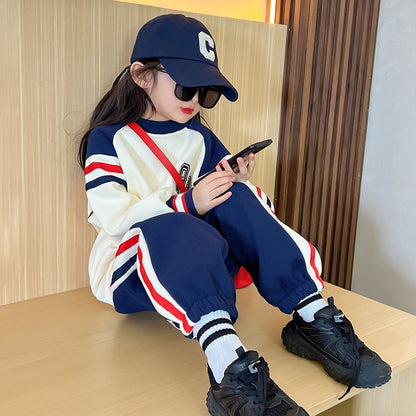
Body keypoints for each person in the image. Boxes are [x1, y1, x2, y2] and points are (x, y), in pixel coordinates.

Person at [78, 13, 391, 416]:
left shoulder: (198, 135)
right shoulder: (108, 138)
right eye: (186, 87)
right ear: (141, 75)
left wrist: (234, 178)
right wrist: (187, 203)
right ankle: (227, 363)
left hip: (199, 265)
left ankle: (311, 314)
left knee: (236, 195)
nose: (195, 101)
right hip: (130, 268)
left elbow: (223, 200)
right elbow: (112, 219)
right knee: (173, 222)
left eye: (206, 93)